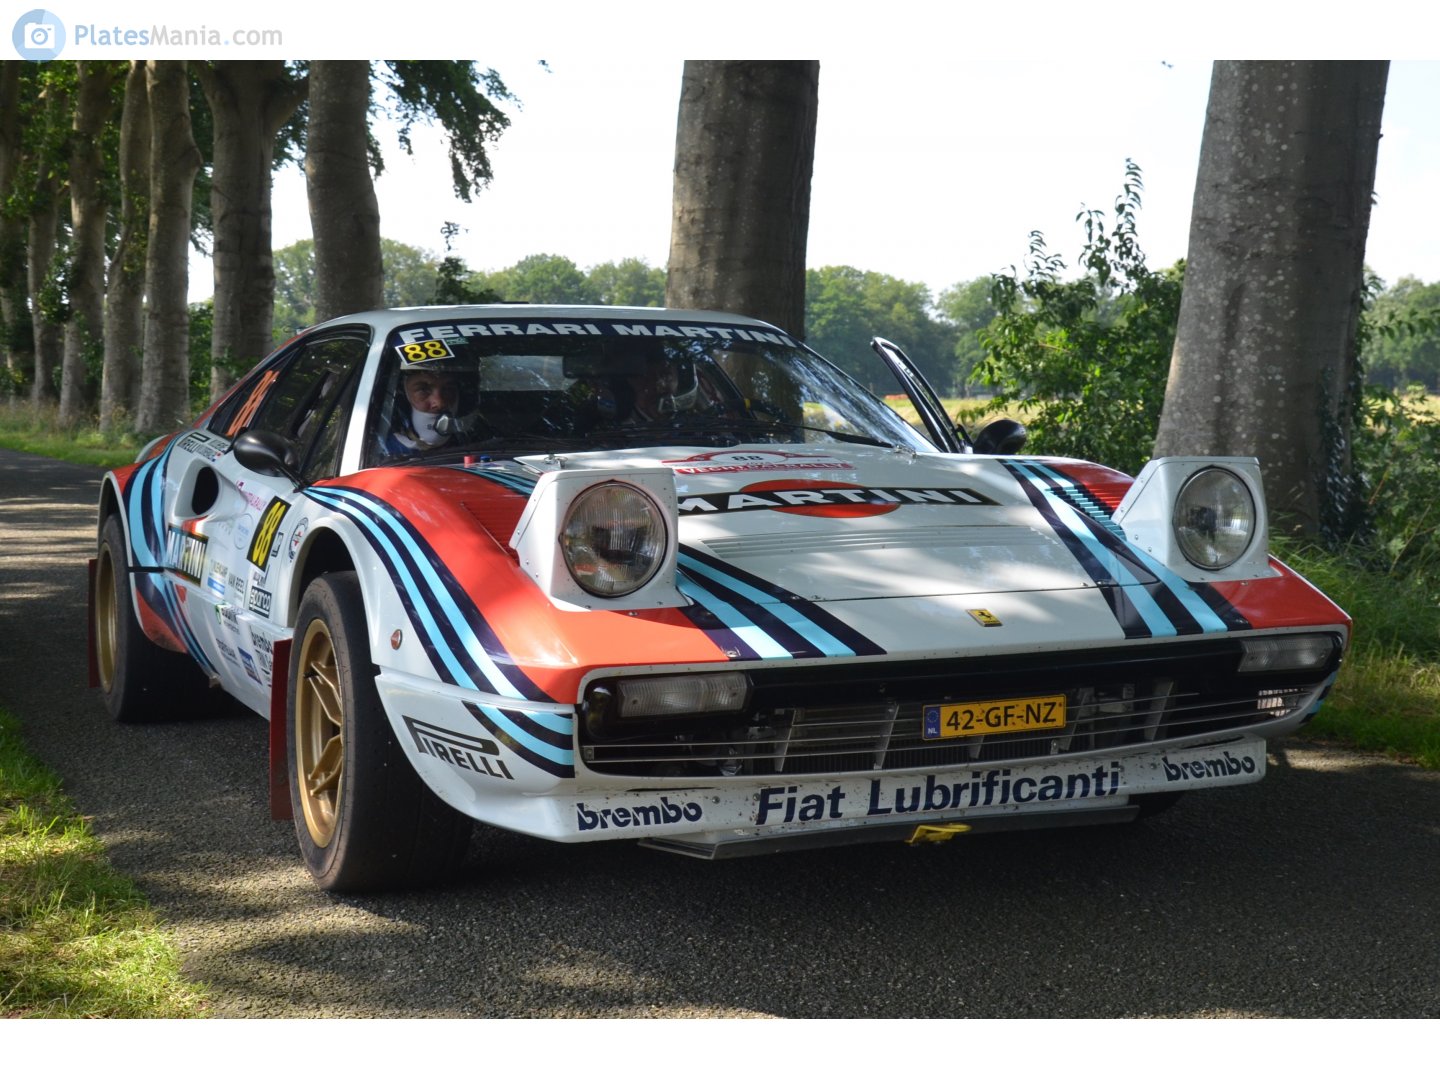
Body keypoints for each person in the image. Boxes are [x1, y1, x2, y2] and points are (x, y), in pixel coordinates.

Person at [380, 367, 462, 456]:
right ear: (403, 398)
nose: (439, 403)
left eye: (448, 389)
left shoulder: (472, 443)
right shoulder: (381, 452)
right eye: (423, 390)